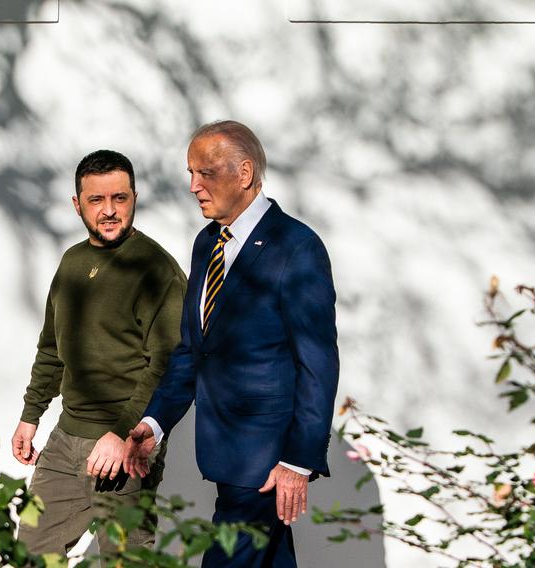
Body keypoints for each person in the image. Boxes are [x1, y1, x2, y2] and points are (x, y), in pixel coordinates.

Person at [122, 120, 339, 567]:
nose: (193, 186)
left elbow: (318, 363)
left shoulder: (296, 247)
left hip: (265, 459)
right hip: (224, 452)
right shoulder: (207, 244)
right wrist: (155, 424)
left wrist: (298, 462)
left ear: (244, 174)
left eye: (205, 172)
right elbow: (192, 351)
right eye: (191, 173)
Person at [12, 149, 187, 557]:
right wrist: (30, 414)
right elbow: (52, 348)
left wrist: (124, 433)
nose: (109, 211)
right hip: (64, 439)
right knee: (31, 554)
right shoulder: (72, 262)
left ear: (134, 199)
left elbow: (167, 363)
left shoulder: (155, 269)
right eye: (96, 200)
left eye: (119, 198)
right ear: (78, 205)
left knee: (126, 560)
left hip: (123, 444)